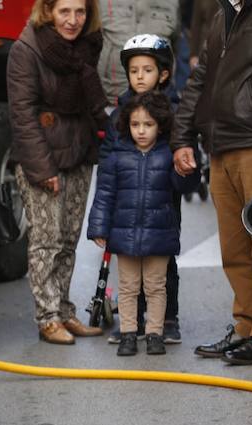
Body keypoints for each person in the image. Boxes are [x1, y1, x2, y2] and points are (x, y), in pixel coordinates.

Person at [172, 0, 252, 366]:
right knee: (235, 250)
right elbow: (201, 79)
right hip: (220, 147)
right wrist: (182, 137)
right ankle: (247, 327)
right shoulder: (222, 15)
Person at [6, 0, 108, 345]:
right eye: (65, 11)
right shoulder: (27, 48)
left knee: (67, 239)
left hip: (79, 150)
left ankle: (64, 310)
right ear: (48, 10)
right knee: (45, 241)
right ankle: (47, 317)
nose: (73, 20)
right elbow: (21, 114)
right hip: (43, 156)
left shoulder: (89, 44)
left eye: (80, 12)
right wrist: (41, 167)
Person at [88, 92, 200, 356]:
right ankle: (128, 333)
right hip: (124, 234)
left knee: (155, 287)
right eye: (135, 124)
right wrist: (98, 227)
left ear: (160, 125)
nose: (141, 131)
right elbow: (104, 194)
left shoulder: (168, 154)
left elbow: (182, 185)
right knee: (128, 288)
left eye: (148, 125)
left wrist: (188, 170)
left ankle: (154, 333)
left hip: (158, 234)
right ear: (127, 124)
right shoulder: (116, 157)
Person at [99, 34, 185, 345]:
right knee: (129, 264)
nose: (139, 76)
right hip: (127, 198)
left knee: (162, 261)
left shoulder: (175, 110)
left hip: (163, 199)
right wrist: (103, 215)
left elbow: (184, 152)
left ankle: (167, 318)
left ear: (162, 75)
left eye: (147, 70)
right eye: (134, 70)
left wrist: (184, 171)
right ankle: (131, 323)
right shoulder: (121, 112)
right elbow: (107, 157)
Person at [96, 0, 179, 106]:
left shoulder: (172, 3)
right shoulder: (102, 3)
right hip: (112, 94)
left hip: (159, 101)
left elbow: (176, 40)